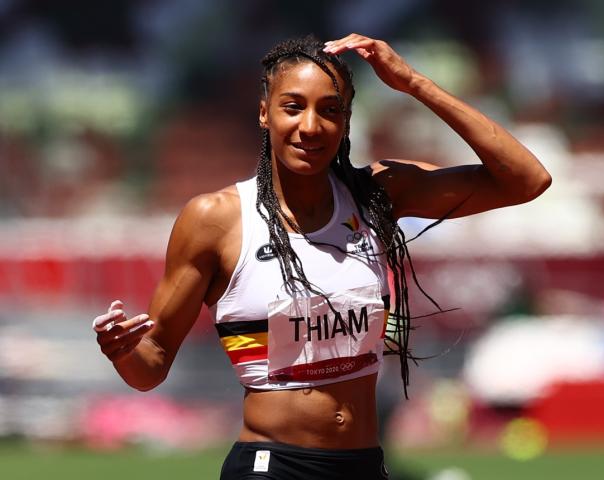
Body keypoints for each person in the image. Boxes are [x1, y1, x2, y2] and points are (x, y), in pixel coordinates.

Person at [92, 33, 551, 479]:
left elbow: (526, 179)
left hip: (363, 464)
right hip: (271, 466)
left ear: (347, 121)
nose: (310, 126)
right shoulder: (216, 219)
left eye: (330, 111)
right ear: (263, 113)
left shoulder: (378, 194)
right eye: (293, 107)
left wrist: (413, 83)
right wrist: (123, 351)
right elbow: (149, 367)